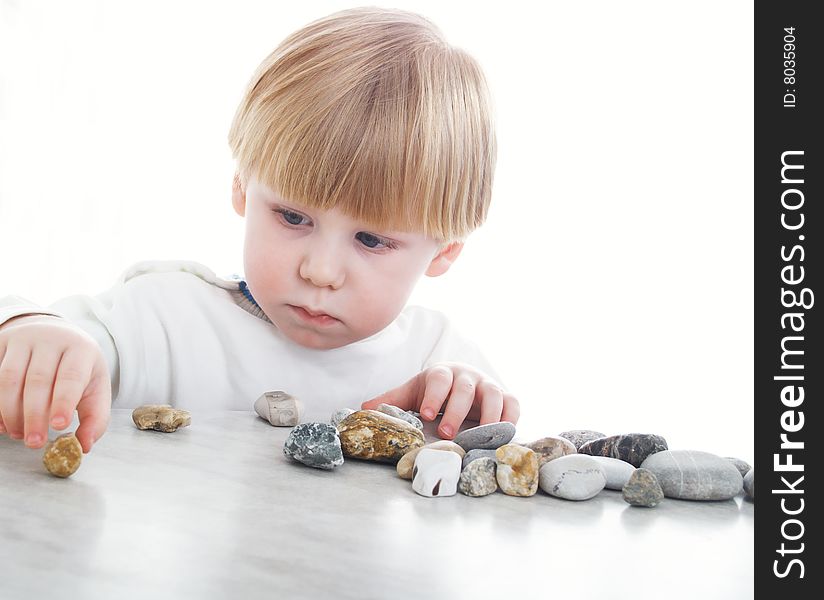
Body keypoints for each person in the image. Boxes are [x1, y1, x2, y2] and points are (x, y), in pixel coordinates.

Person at [0, 6, 519, 455]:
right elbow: (50, 341)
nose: (320, 270)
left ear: (443, 252)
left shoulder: (437, 360)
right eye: (293, 217)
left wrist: (455, 419)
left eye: (371, 240)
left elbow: (497, 468)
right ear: (242, 189)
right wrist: (27, 329)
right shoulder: (161, 320)